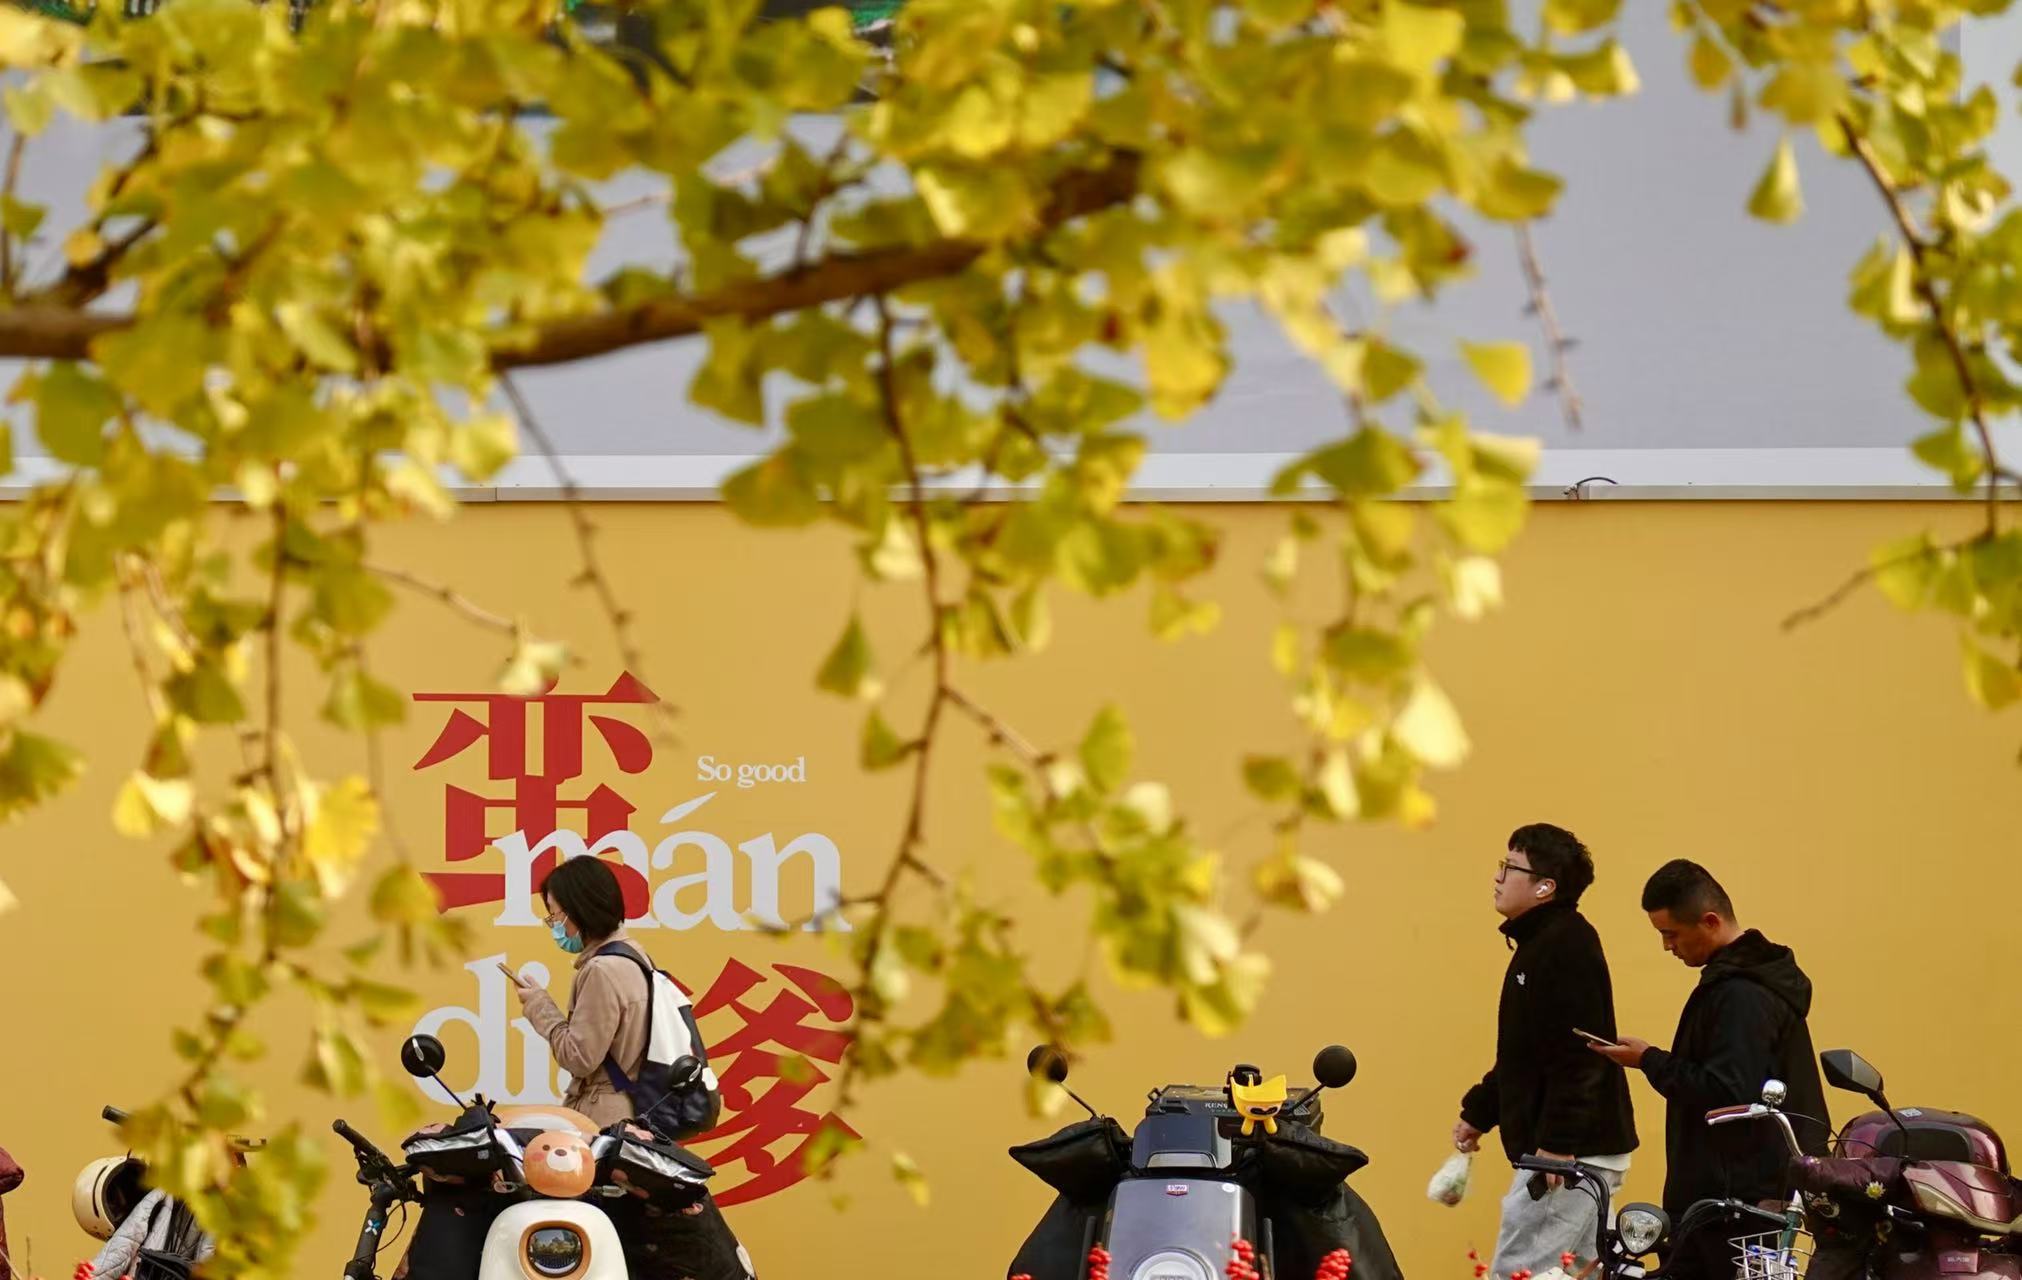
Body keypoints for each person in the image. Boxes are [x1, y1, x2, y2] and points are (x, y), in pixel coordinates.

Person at [1590, 859, 1828, 1280]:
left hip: (1734, 1204)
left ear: (1711, 921)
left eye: (1671, 934)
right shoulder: (1739, 984)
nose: (1667, 946)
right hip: (1725, 1197)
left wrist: (1648, 1060)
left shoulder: (1741, 995)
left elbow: (1727, 1093)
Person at [1454, 824, 1638, 1279]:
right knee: (1580, 1273)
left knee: (1521, 1273)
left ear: (1545, 887)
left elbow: (1583, 1054)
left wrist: (1556, 1146)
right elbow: (1524, 1056)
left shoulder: (1566, 945)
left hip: (1571, 1156)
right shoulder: (1541, 943)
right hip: (1578, 1152)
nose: (1498, 876)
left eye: (1510, 867)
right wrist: (1480, 1113)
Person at [508, 855, 654, 1128]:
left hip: (606, 1117)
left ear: (579, 910)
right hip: (633, 1109)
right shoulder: (635, 957)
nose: (554, 925)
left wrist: (540, 1007)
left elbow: (579, 1058)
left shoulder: (601, 971)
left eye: (555, 915)